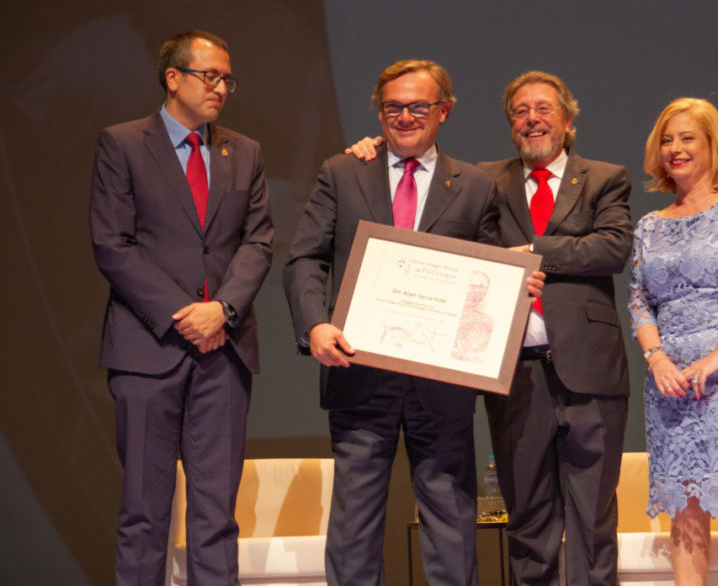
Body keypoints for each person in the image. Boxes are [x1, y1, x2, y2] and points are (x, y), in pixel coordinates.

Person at [345, 70, 632, 586]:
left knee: (592, 522)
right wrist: (370, 149)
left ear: (567, 121)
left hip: (590, 374)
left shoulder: (605, 177)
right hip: (515, 375)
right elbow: (428, 182)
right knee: (527, 519)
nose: (531, 120)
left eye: (544, 109)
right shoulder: (484, 181)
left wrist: (533, 253)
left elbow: (612, 248)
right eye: (520, 112)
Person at [283, 60, 541, 586]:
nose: (404, 116)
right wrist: (315, 326)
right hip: (357, 369)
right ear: (379, 112)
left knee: (449, 524)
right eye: (392, 107)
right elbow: (305, 259)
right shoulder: (343, 171)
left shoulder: (473, 186)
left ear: (444, 111)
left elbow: (485, 277)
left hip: (441, 382)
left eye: (418, 106)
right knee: (354, 528)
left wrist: (513, 288)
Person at [90, 30, 274, 586]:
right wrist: (182, 312)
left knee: (216, 513)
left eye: (226, 79)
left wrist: (222, 309)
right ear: (173, 78)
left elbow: (259, 241)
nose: (221, 88)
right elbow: (112, 245)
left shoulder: (244, 151)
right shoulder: (122, 144)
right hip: (148, 349)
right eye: (209, 76)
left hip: (225, 352)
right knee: (145, 511)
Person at [628, 97, 718, 586]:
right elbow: (639, 302)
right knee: (682, 502)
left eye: (687, 138)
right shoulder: (650, 224)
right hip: (670, 377)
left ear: (713, 143)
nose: (676, 149)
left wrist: (716, 356)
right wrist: (657, 360)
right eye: (667, 140)